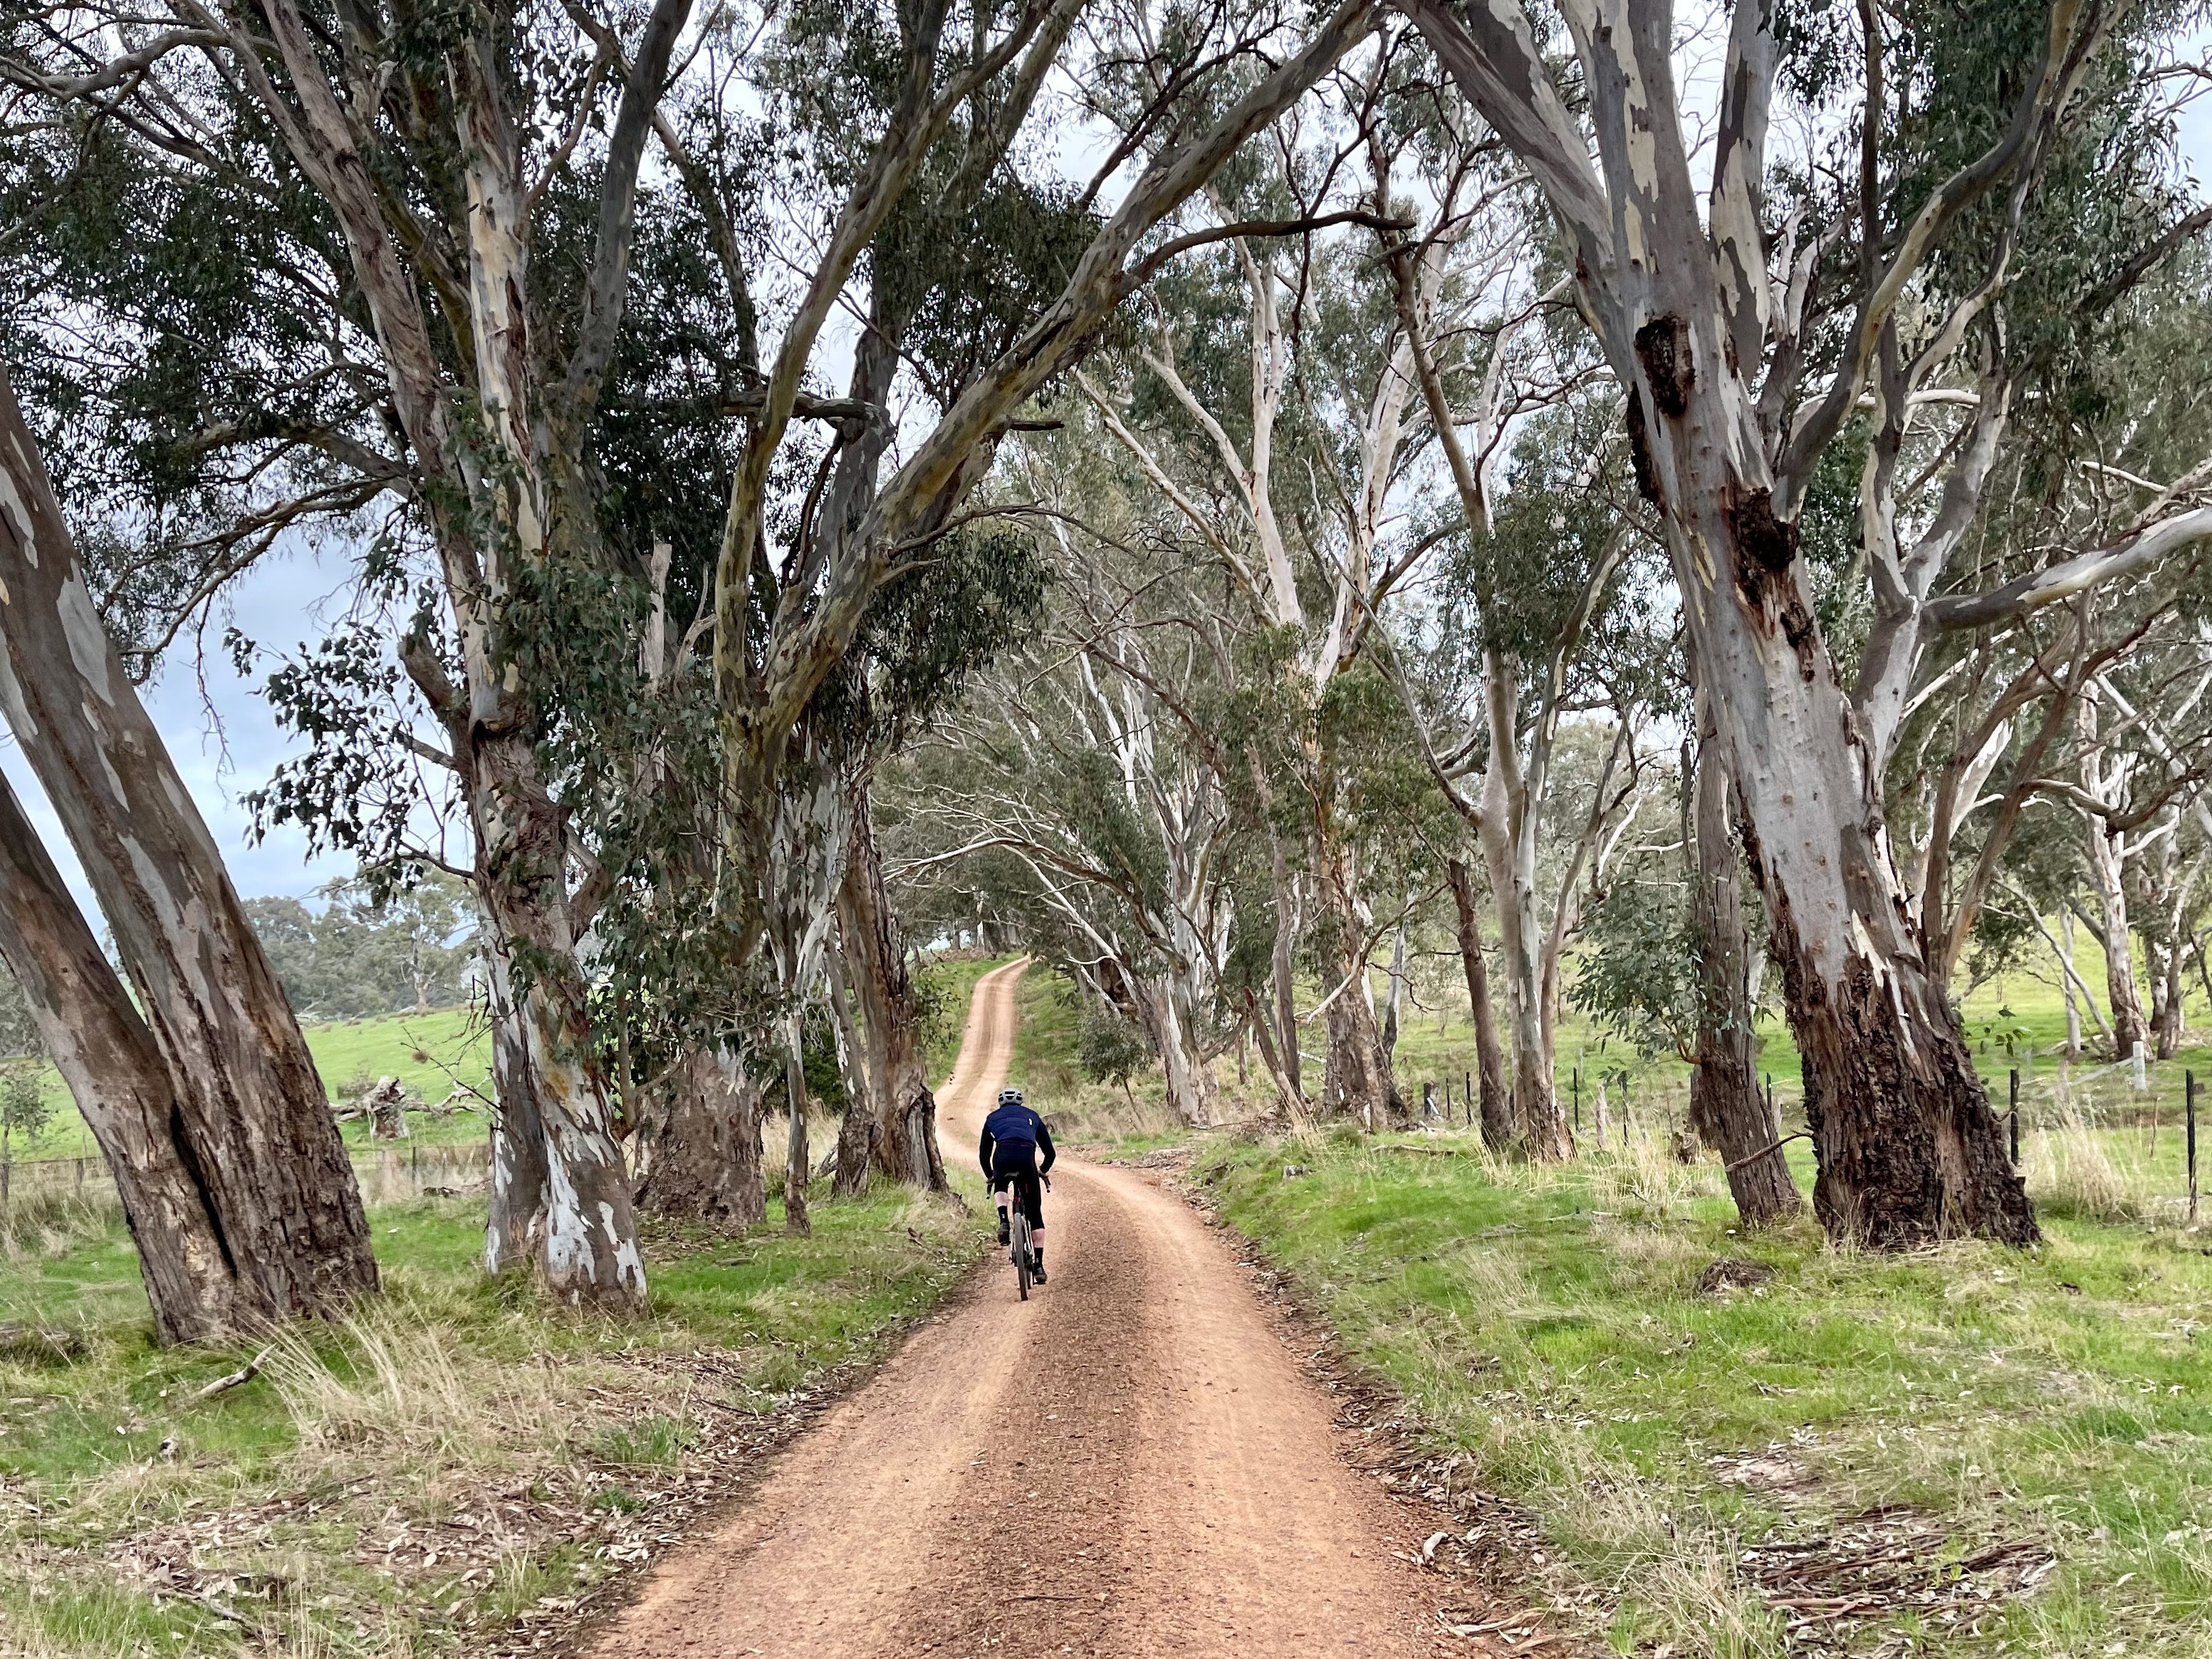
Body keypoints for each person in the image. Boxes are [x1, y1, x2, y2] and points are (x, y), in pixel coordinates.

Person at [979, 1086, 1055, 1283]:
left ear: (1001, 1103)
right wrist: (1042, 1171)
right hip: (1026, 1160)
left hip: (1002, 1158)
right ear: (1021, 1102)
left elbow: (984, 1154)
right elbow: (1050, 1153)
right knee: (1035, 1215)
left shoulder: (992, 1118)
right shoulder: (1032, 1116)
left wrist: (991, 1175)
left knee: (1001, 1183)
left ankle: (1004, 1220)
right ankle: (1038, 1266)